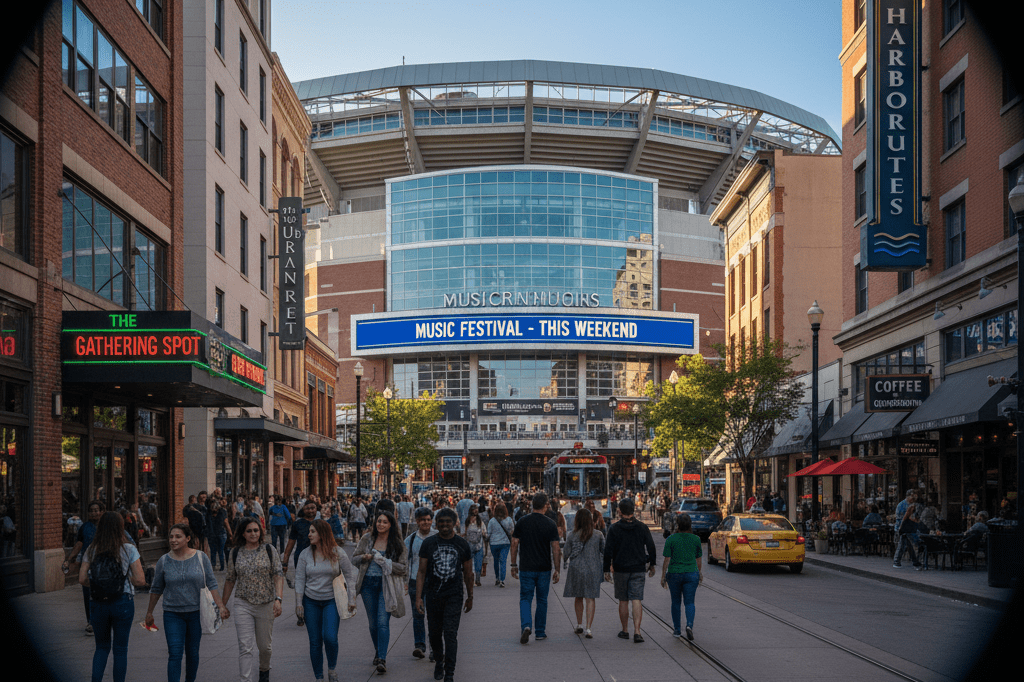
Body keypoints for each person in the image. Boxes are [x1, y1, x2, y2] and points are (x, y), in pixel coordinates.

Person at [145, 523, 227, 682]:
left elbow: (212, 583)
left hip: (196, 613)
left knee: (192, 653)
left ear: (188, 538)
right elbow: (156, 589)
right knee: (175, 653)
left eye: (178, 536)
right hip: (172, 614)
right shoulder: (164, 561)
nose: (173, 540)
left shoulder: (201, 557)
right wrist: (149, 612)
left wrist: (221, 606)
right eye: (171, 537)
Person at [79, 511, 146, 682]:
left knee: (101, 647)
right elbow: (140, 580)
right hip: (122, 601)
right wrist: (124, 580)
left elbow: (82, 579)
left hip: (98, 602)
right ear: (120, 527)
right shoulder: (128, 549)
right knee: (120, 649)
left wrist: (99, 584)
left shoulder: (92, 549)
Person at [221, 518, 284, 682]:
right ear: (243, 533)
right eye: (249, 531)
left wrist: (278, 599)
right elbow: (229, 580)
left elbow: (278, 575)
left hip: (266, 603)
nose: (253, 533)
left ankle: (264, 670)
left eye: (256, 530)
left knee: (265, 648)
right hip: (243, 603)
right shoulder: (235, 553)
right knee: (245, 647)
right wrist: (222, 605)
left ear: (261, 532)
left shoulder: (269, 550)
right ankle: (246, 679)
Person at [295, 519, 358, 682]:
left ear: (322, 534)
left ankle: (331, 669)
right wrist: (298, 603)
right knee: (315, 642)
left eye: (313, 531)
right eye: (309, 531)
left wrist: (352, 599)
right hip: (311, 602)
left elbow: (350, 576)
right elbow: (300, 580)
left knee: (330, 637)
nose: (309, 535)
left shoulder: (337, 552)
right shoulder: (305, 554)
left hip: (331, 601)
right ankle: (319, 677)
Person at [415, 508, 473, 682]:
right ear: (436, 523)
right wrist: (418, 597)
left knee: (450, 633)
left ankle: (450, 673)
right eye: (441, 522)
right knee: (434, 634)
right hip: (433, 595)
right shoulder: (429, 543)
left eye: (448, 521)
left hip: (454, 595)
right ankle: (439, 661)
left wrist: (470, 596)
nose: (444, 525)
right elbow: (421, 572)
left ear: (455, 522)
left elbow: (469, 573)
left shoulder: (462, 544)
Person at [353, 510, 408, 674]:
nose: (381, 524)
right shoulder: (367, 539)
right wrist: (364, 557)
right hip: (368, 584)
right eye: (378, 521)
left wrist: (387, 562)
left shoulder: (397, 543)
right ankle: (378, 650)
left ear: (391, 524)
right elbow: (354, 558)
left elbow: (403, 568)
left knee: (383, 622)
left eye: (384, 522)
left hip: (387, 585)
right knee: (373, 623)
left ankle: (382, 658)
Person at [602, 498, 656, 643]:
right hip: (638, 567)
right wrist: (652, 564)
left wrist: (606, 569)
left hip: (620, 569)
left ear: (619, 511)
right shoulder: (642, 527)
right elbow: (651, 546)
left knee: (623, 600)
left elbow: (608, 551)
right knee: (637, 599)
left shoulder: (614, 529)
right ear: (634, 511)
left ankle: (625, 630)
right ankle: (637, 632)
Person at [509, 492, 561, 644]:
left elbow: (514, 543)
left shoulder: (522, 521)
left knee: (525, 598)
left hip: (526, 566)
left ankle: (526, 625)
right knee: (542, 600)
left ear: (532, 505)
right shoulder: (550, 523)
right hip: (544, 567)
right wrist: (557, 569)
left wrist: (513, 564)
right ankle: (540, 631)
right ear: (546, 505)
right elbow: (556, 548)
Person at [562, 508, 605, 638]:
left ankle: (579, 624)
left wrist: (563, 562)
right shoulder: (598, 535)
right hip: (593, 570)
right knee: (590, 598)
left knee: (578, 597)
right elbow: (605, 551)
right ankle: (588, 628)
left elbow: (566, 553)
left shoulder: (572, 534)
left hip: (576, 569)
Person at [65, 500, 105, 634]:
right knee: (88, 594)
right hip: (87, 565)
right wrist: (70, 558)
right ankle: (91, 622)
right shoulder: (84, 527)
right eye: (91, 510)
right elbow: (79, 544)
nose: (93, 513)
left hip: (105, 565)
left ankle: (103, 620)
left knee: (103, 594)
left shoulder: (107, 526)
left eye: (96, 510)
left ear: (101, 512)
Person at [661, 512, 702, 641]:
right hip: (691, 574)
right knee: (690, 602)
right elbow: (698, 560)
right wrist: (698, 573)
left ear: (677, 525)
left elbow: (667, 559)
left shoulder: (671, 539)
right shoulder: (696, 539)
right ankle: (689, 625)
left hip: (674, 574)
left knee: (676, 602)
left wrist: (663, 576)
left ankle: (677, 630)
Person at [405, 507, 437, 660]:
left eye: (428, 519)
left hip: (435, 582)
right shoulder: (410, 540)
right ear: (417, 521)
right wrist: (405, 581)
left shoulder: (438, 537)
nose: (426, 522)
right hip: (414, 582)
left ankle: (434, 648)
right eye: (423, 520)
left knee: (434, 616)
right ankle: (420, 646)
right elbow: (405, 562)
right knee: (418, 615)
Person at [282, 501, 318, 624]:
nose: (311, 510)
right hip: (301, 559)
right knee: (302, 585)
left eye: (313, 508)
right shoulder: (297, 524)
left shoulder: (321, 523)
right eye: (307, 508)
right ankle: (301, 612)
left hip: (319, 559)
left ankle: (313, 611)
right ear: (303, 510)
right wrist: (285, 562)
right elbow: (290, 544)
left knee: (315, 585)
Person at [487, 502, 513, 587]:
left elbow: (489, 533)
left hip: (494, 543)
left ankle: (497, 578)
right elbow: (512, 531)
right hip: (505, 543)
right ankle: (502, 580)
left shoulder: (492, 521)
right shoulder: (509, 519)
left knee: (496, 560)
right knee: (503, 561)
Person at [462, 504, 487, 587]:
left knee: (478, 564)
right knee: (470, 564)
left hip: (479, 545)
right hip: (469, 545)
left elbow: (484, 532)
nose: (476, 511)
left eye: (476, 509)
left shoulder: (480, 521)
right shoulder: (467, 521)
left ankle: (477, 579)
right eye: (474, 509)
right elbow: (465, 533)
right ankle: (471, 580)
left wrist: (484, 534)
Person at [893, 503, 923, 569]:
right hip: (906, 532)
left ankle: (897, 562)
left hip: (907, 532)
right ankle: (915, 563)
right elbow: (911, 521)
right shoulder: (910, 515)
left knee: (907, 548)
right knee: (905, 547)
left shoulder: (912, 515)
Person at [207, 499, 229, 571]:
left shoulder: (209, 512)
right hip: (220, 533)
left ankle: (214, 565)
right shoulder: (222, 512)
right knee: (220, 551)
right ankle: (221, 566)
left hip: (214, 534)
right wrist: (230, 533)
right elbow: (226, 523)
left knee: (214, 551)